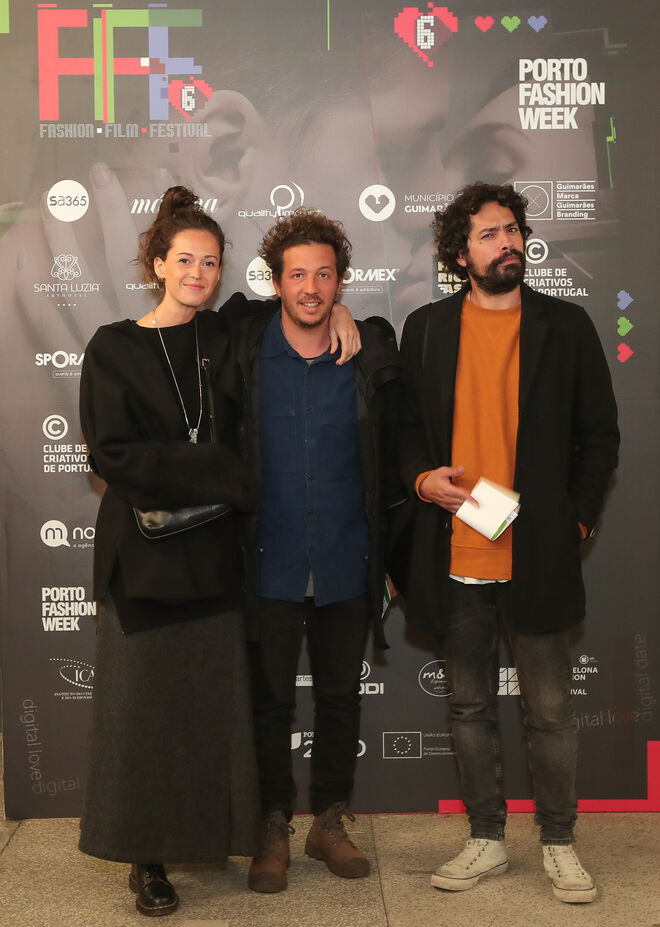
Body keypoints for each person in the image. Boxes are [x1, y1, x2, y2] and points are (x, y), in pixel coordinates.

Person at [398, 182, 619, 903]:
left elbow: (599, 438)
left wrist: (576, 523)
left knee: (550, 709)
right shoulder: (426, 329)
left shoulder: (568, 325)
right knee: (467, 706)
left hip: (538, 555)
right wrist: (423, 478)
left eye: (514, 230)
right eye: (490, 234)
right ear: (460, 253)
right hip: (455, 554)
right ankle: (486, 839)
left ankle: (560, 842)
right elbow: (402, 435)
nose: (508, 243)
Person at [78, 186, 262, 917]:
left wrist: (343, 312)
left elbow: (309, 312)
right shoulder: (113, 345)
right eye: (185, 259)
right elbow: (113, 454)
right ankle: (145, 860)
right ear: (157, 263)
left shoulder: (227, 335)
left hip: (214, 560)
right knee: (140, 718)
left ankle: (206, 838)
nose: (198, 272)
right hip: (143, 562)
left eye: (211, 262)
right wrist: (219, 470)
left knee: (206, 713)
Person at [220, 208, 402, 893]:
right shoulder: (244, 342)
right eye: (298, 274)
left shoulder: (367, 349)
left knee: (338, 697)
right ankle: (273, 825)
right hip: (267, 557)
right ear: (276, 283)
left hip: (344, 558)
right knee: (268, 702)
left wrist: (355, 315)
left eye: (325, 275)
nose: (311, 287)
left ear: (341, 282)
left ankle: (329, 819)